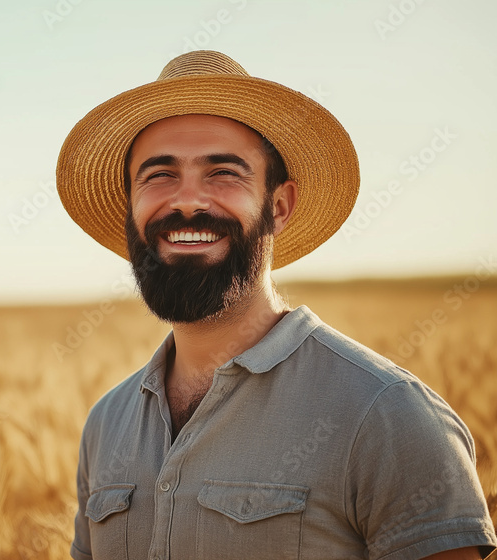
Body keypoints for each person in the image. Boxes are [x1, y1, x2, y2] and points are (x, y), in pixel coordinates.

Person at [56, 50, 497, 560]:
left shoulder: (386, 414)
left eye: (223, 172)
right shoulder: (106, 424)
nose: (188, 201)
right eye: (158, 175)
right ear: (132, 209)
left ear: (279, 206)